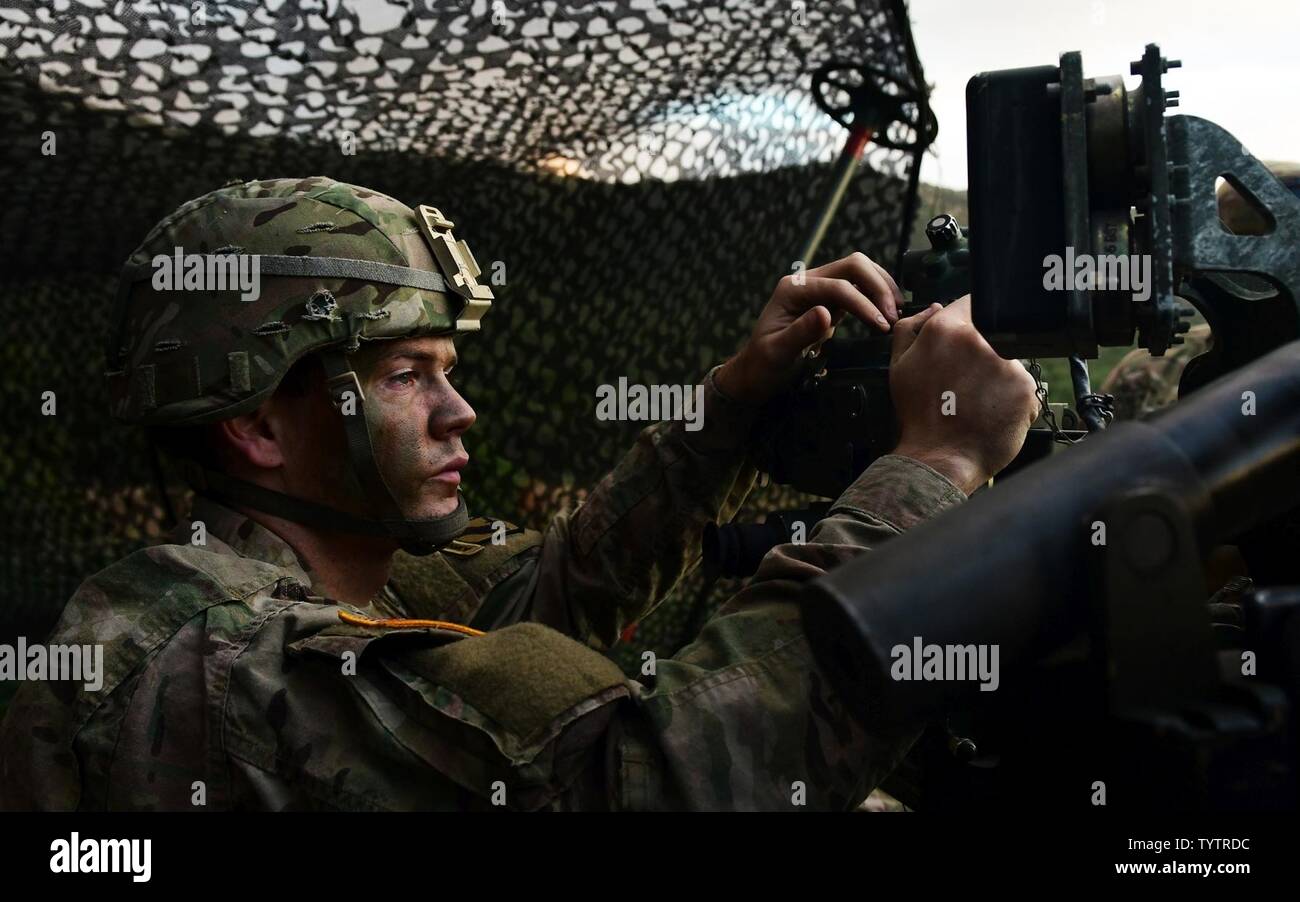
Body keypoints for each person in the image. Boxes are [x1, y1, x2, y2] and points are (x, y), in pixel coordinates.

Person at [0, 177, 1039, 810]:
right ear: (259, 422)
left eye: (450, 369)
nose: (462, 412)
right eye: (407, 375)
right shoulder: (223, 660)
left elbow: (541, 592)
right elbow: (664, 782)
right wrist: (936, 467)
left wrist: (727, 402)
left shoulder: (332, 584)